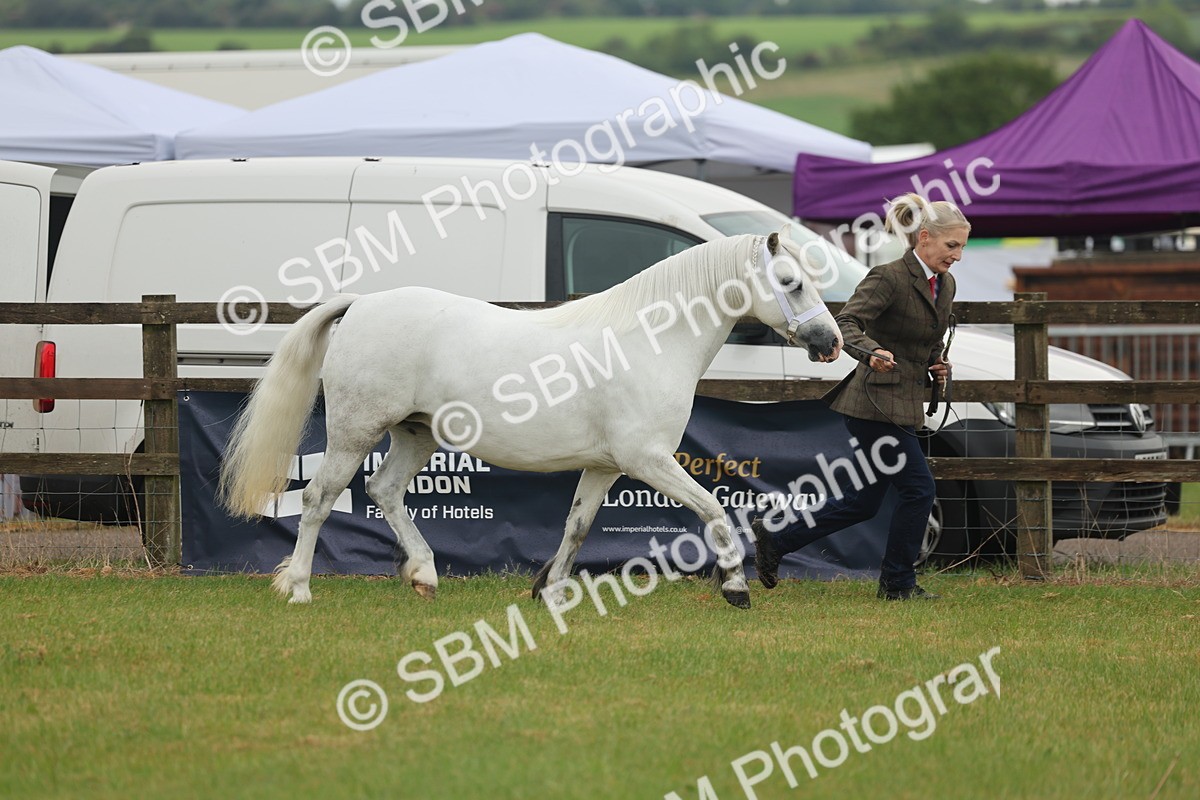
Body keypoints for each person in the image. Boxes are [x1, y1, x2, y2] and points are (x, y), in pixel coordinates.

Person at [753, 192, 969, 600]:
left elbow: (924, 339)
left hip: (904, 405)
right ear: (924, 238)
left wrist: (936, 362)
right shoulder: (888, 277)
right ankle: (898, 584)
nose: (957, 255)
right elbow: (847, 323)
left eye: (961, 247)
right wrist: (872, 354)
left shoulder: (945, 284)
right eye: (951, 245)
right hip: (872, 405)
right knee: (919, 489)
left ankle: (776, 539)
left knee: (863, 503)